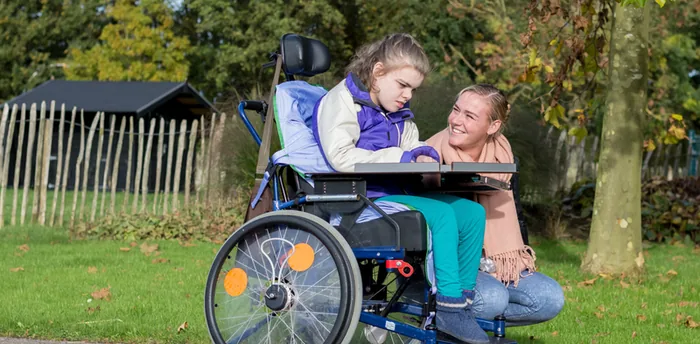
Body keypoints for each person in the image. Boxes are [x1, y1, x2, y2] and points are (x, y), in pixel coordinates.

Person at [312, 33, 490, 343]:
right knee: (442, 216)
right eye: (403, 85)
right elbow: (339, 156)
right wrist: (402, 156)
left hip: (397, 194)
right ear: (378, 72)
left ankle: (462, 304)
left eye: (413, 89)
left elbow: (410, 146)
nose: (408, 95)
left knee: (472, 213)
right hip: (360, 202)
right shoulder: (342, 101)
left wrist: (423, 153)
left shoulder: (397, 112)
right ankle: (448, 308)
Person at [426, 84, 565, 326]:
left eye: (469, 116)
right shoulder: (429, 154)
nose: (456, 120)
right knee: (492, 298)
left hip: (497, 262)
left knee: (549, 298)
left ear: (493, 126)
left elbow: (516, 214)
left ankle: (463, 322)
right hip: (450, 266)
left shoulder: (504, 156)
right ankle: (449, 320)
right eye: (456, 110)